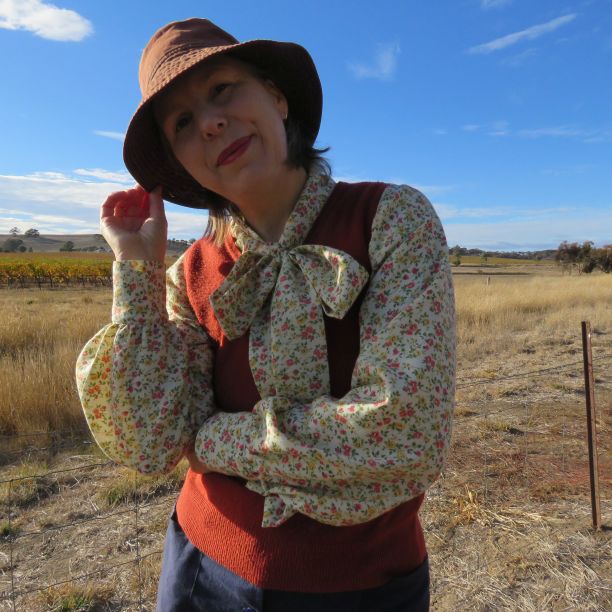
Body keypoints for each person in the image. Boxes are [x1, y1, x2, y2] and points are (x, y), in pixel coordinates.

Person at [76, 17, 455, 612]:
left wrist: (212, 440)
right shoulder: (190, 274)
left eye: (222, 89)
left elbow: (406, 434)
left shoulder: (391, 219)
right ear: (180, 164)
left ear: (277, 98)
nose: (209, 121)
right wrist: (137, 274)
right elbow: (151, 442)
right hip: (200, 568)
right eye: (181, 122)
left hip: (365, 585)